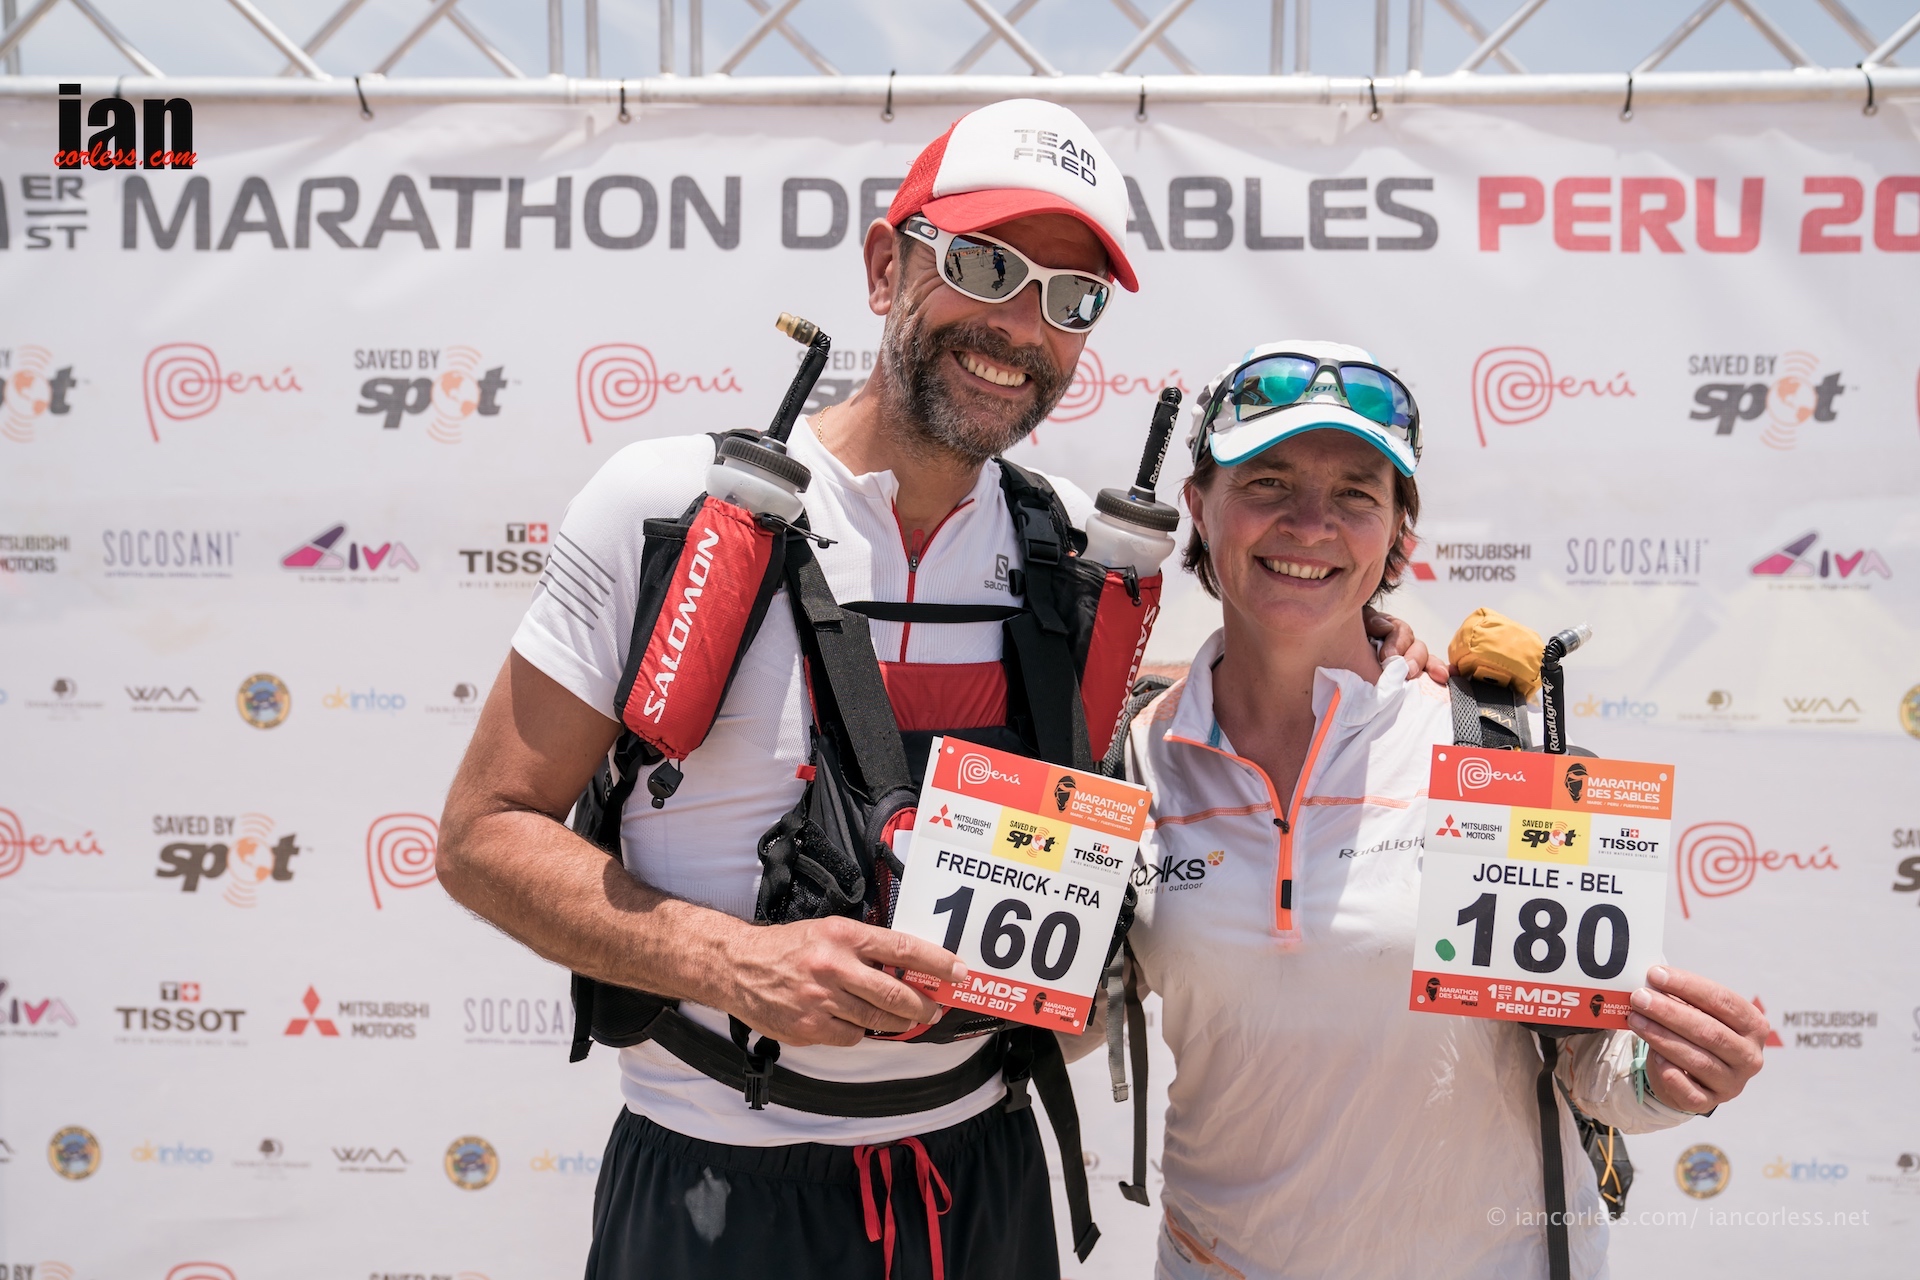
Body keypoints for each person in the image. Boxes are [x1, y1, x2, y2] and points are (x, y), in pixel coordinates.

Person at [436, 103, 1439, 1280]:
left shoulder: (1074, 550)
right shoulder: (665, 505)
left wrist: (1385, 656)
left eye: (1070, 297)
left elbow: (1199, 691)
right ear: (884, 266)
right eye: (985, 267)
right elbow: (481, 834)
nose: (1022, 325)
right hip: (716, 1182)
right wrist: (730, 962)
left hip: (985, 1179)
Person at [1114, 341, 1769, 1280]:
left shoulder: (1491, 752)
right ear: (1198, 506)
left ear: (1399, 536)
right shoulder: (1131, 756)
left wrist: (1670, 1078)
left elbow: (1593, 1064)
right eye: (1267, 482)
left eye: (1356, 494)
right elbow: (1065, 1015)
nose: (1310, 523)